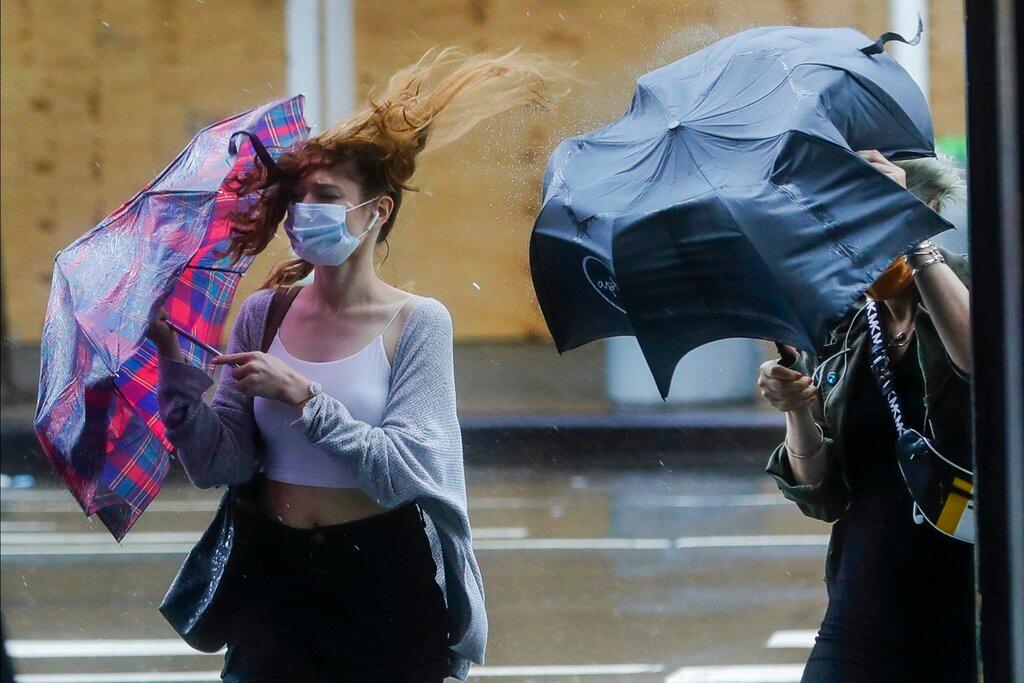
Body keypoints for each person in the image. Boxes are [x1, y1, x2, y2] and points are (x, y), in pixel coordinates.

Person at [148, 48, 560, 682]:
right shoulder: (267, 313)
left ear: (377, 211)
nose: (301, 209)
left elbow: (406, 473)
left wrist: (307, 401)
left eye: (325, 195)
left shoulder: (417, 323)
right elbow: (219, 466)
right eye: (297, 196)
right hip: (274, 577)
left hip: (384, 579)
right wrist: (175, 377)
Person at [758, 150, 974, 682]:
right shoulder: (843, 325)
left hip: (977, 600)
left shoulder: (977, 286)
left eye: (880, 220)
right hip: (866, 601)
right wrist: (799, 412)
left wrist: (910, 236)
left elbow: (984, 364)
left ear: (930, 209)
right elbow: (821, 492)